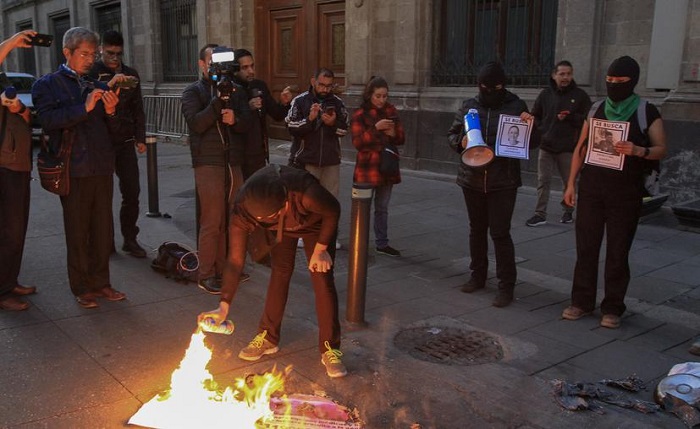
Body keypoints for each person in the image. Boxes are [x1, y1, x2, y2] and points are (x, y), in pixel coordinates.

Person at [198, 164, 347, 378]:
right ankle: (267, 336)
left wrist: (321, 249)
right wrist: (223, 305)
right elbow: (234, 261)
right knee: (279, 272)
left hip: (315, 224)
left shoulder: (306, 193)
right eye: (262, 220)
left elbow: (333, 209)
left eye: (272, 216)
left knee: (322, 278)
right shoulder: (243, 209)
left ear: (285, 204)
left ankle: (330, 348)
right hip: (281, 231)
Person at [561, 56, 668, 329]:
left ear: (632, 82)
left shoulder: (646, 111)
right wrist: (571, 183)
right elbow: (581, 148)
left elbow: (661, 148)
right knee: (586, 247)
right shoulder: (596, 109)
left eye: (620, 82)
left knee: (618, 251)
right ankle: (582, 301)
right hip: (593, 189)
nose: (613, 86)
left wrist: (639, 150)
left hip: (625, 192)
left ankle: (613, 307)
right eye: (609, 81)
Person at [32, 27, 128, 309]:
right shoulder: (46, 85)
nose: (89, 59)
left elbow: (118, 132)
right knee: (77, 230)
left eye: (92, 54)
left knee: (101, 229)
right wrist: (83, 108)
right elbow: (48, 121)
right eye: (84, 54)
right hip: (72, 168)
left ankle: (102, 282)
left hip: (100, 166)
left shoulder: (98, 84)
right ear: (67, 53)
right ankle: (82, 286)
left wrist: (111, 112)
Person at [447, 62, 530, 308]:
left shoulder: (516, 106)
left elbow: (531, 142)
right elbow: (451, 134)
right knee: (476, 229)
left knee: (500, 233)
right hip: (471, 178)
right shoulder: (469, 106)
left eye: (493, 87)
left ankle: (506, 285)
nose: (487, 91)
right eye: (483, 87)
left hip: (503, 180)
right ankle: (478, 275)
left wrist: (530, 125)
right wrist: (459, 142)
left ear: (502, 86)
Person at [181, 44, 252, 295]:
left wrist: (236, 119)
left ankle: (227, 269)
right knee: (212, 220)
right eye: (212, 61)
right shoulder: (193, 91)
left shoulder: (237, 91)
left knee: (232, 218)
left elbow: (247, 124)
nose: (217, 67)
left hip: (232, 161)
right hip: (208, 161)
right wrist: (216, 104)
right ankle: (207, 273)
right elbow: (196, 124)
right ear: (202, 64)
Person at [88, 30, 147, 258]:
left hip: (124, 139)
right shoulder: (92, 73)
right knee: (102, 196)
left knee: (132, 191)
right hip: (100, 141)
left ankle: (130, 238)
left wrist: (140, 137)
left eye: (119, 54)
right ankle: (105, 241)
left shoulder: (131, 74)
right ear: (101, 49)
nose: (114, 58)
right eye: (110, 53)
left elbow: (137, 108)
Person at [523, 60, 591, 227]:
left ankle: (568, 211)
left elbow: (588, 120)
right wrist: (541, 128)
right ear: (554, 75)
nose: (565, 77)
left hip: (568, 147)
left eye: (568, 74)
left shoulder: (580, 95)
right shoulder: (545, 94)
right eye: (562, 74)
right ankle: (540, 213)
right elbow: (535, 114)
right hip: (546, 145)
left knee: (569, 181)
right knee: (542, 180)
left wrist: (570, 117)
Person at [0, 30, 38, 311]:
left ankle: (10, 281)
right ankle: (2, 292)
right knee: (8, 230)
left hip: (20, 163)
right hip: (4, 165)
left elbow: (28, 118)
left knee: (18, 228)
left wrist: (19, 108)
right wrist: (13, 41)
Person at [351, 76, 405, 257]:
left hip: (387, 167)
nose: (382, 100)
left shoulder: (391, 111)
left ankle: (382, 243)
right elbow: (358, 142)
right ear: (369, 95)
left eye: (384, 96)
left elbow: (401, 139)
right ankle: (359, 241)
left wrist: (393, 132)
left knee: (382, 207)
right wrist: (376, 128)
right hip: (367, 168)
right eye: (378, 96)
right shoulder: (360, 114)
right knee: (362, 207)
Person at [286, 67, 349, 198]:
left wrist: (332, 124)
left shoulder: (337, 103)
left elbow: (344, 130)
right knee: (307, 201)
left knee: (330, 202)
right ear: (313, 81)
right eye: (321, 85)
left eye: (328, 86)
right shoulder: (300, 101)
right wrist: (309, 120)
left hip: (330, 161)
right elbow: (291, 127)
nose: (325, 90)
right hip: (307, 160)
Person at [231, 49, 293, 180]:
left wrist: (284, 103)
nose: (251, 71)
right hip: (237, 154)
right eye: (245, 67)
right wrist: (248, 107)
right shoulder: (229, 89)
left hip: (258, 152)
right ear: (235, 69)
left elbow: (277, 114)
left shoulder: (259, 86)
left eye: (252, 66)